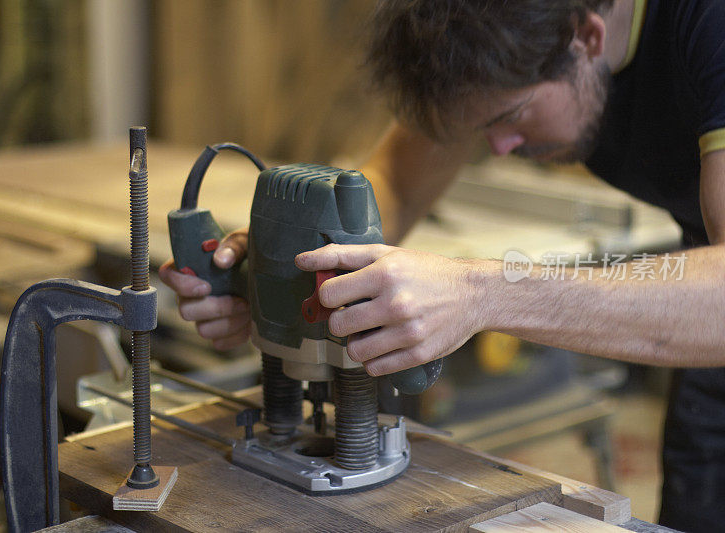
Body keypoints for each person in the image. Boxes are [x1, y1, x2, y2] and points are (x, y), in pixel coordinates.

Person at [159, 1, 725, 530]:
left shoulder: (708, 30)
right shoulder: (506, 34)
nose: (498, 146)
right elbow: (397, 186)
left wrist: (484, 293)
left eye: (511, 114)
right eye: (480, 127)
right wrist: (282, 266)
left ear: (586, 35)